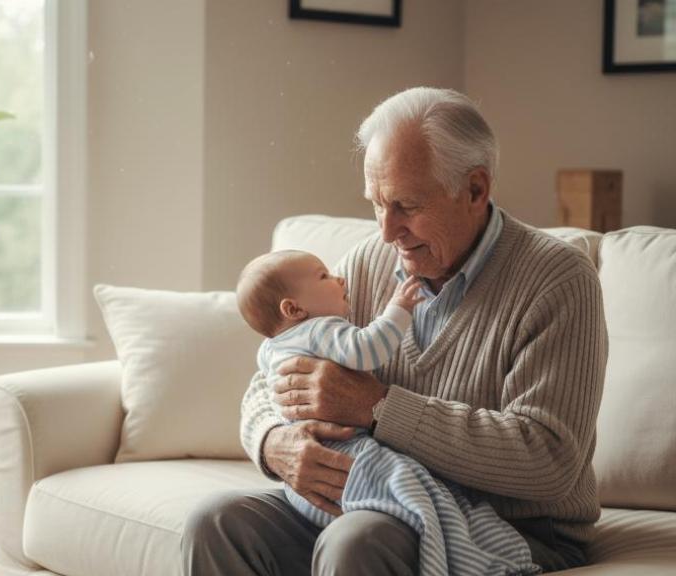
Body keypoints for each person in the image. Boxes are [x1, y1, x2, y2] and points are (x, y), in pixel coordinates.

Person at [181, 87, 607, 575]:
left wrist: (378, 406)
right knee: (216, 522)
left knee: (357, 541)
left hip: (508, 527)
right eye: (377, 204)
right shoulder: (369, 262)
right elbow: (275, 372)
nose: (387, 231)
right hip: (377, 494)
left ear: (475, 190)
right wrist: (273, 442)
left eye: (406, 205)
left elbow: (548, 459)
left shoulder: (558, 280)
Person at [236, 249, 424, 526]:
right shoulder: (320, 328)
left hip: (304, 482)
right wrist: (399, 310)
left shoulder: (268, 349)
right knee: (416, 487)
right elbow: (367, 349)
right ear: (294, 309)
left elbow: (269, 385)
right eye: (324, 276)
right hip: (343, 451)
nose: (341, 279)